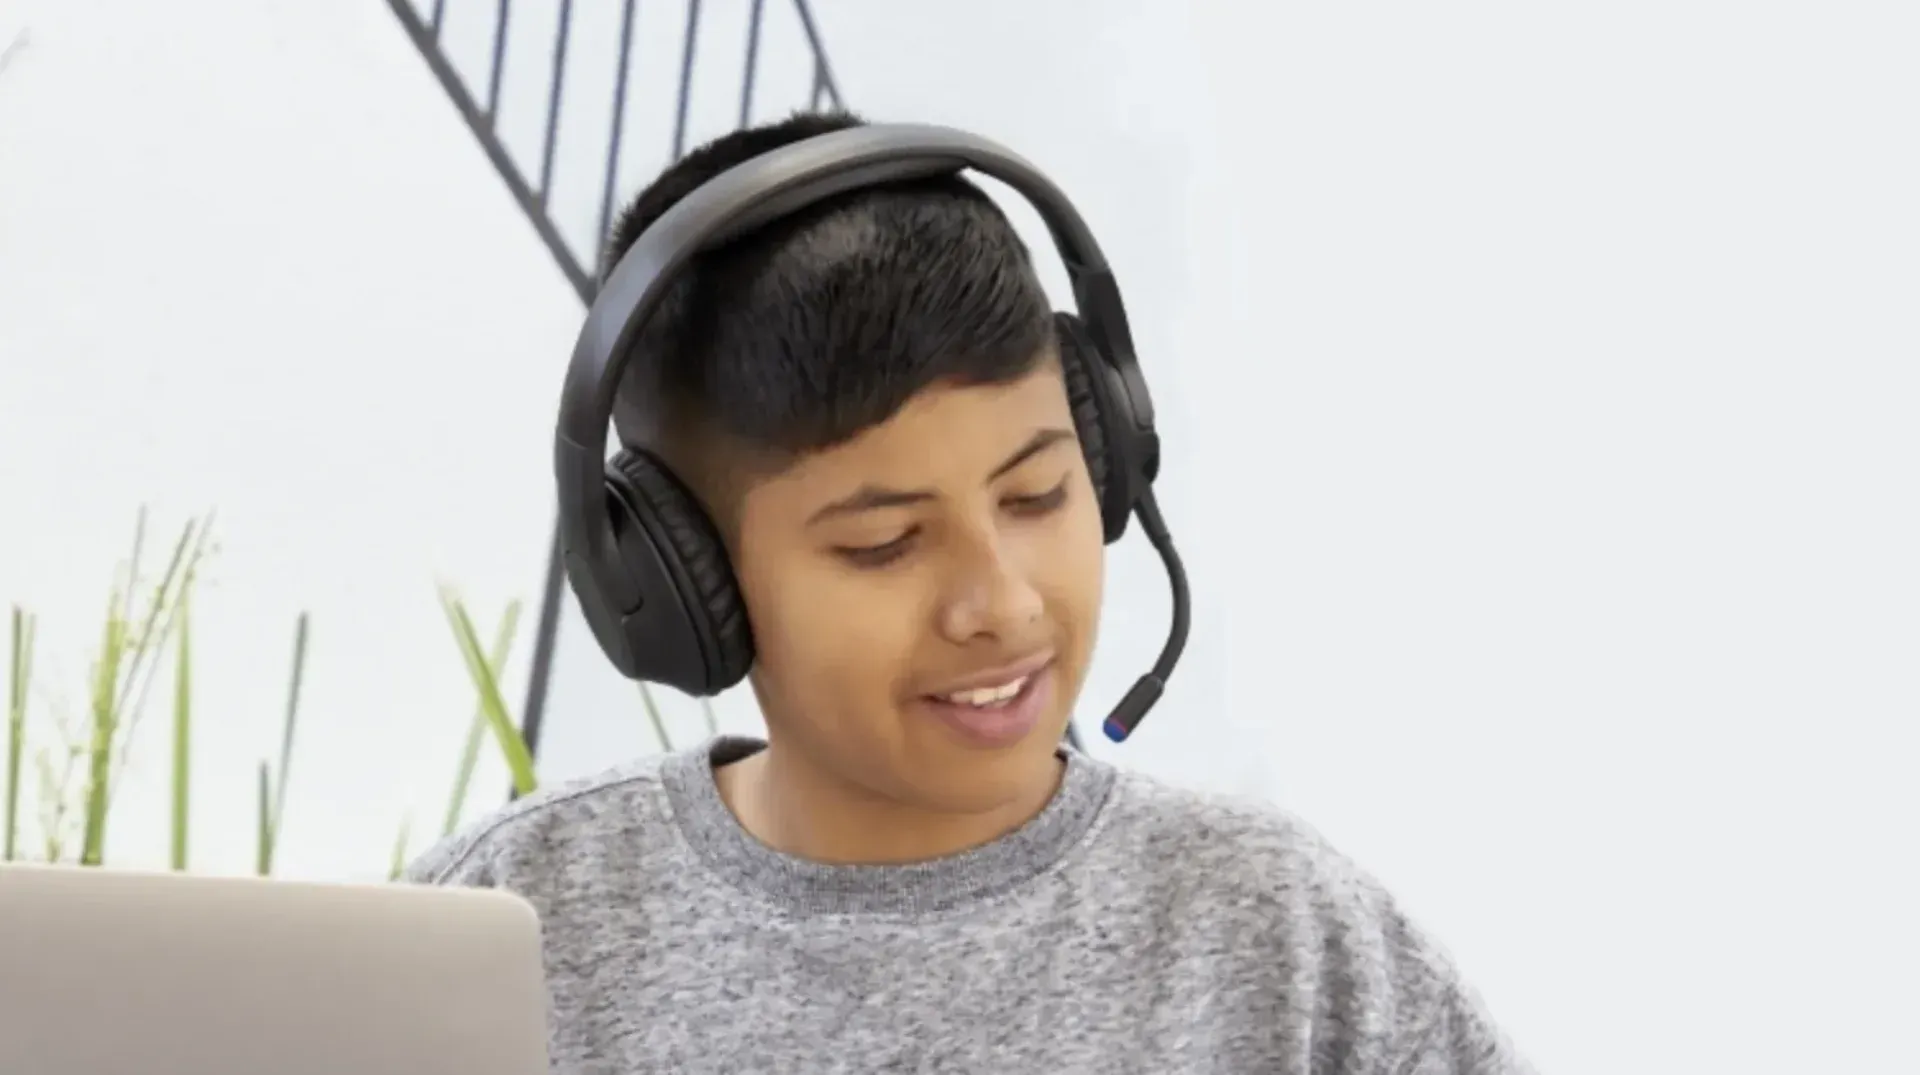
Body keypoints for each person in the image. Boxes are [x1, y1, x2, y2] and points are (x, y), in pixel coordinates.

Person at [409, 110, 1532, 1074]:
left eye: (1038, 494)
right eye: (886, 544)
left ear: (1108, 455)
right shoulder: (505, 928)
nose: (998, 604)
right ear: (675, 576)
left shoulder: (1281, 936)